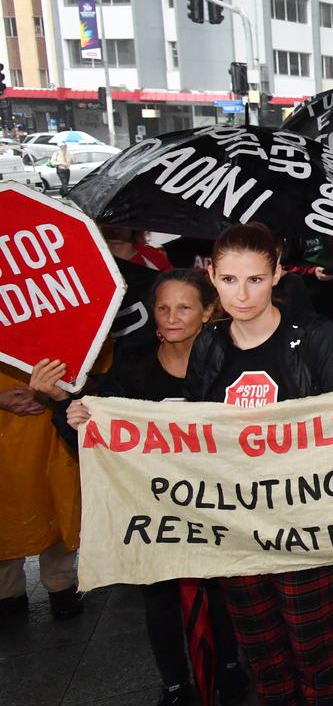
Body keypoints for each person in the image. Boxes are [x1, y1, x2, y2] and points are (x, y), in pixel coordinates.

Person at [39, 270, 249, 706]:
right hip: (156, 510)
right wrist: (63, 407)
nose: (172, 318)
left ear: (209, 311)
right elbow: (94, 437)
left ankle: (230, 669)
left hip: (219, 505)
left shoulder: (235, 364)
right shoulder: (131, 371)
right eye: (163, 307)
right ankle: (174, 683)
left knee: (223, 589)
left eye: (185, 307)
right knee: (159, 595)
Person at [183, 223, 333, 706]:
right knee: (260, 649)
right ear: (211, 276)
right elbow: (190, 428)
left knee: (313, 645)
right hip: (238, 525)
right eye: (229, 280)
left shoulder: (316, 337)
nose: (241, 294)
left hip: (305, 521)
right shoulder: (209, 344)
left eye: (256, 280)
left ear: (278, 274)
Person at [0, 365, 82, 620]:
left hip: (51, 418)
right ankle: (7, 591)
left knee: (58, 499)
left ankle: (61, 584)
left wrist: (52, 394)